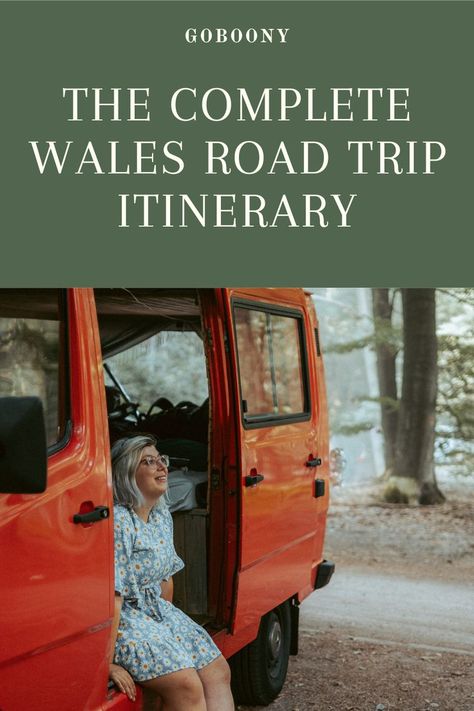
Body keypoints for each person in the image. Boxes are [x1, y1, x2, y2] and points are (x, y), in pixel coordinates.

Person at [109, 435, 234, 711]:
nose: (161, 467)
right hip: (125, 619)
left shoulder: (160, 514)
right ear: (126, 473)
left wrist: (168, 633)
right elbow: (113, 596)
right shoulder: (120, 519)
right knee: (187, 685)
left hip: (156, 612)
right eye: (148, 462)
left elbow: (167, 580)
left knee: (218, 671)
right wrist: (106, 663)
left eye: (161, 460)